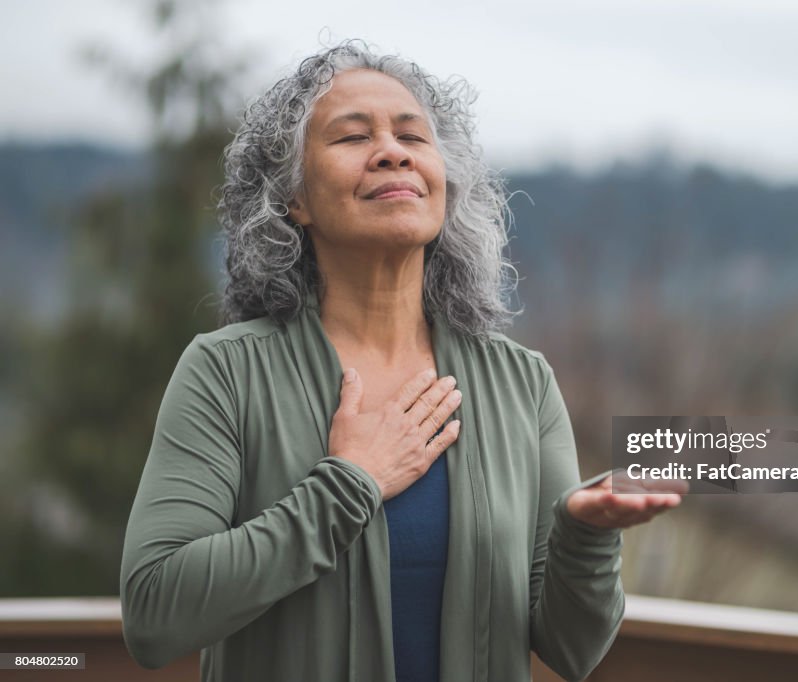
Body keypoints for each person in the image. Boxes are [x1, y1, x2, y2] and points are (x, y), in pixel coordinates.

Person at [119, 39, 684, 682]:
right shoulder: (227, 373)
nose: (393, 150)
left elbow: (572, 649)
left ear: (442, 184)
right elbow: (153, 614)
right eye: (352, 137)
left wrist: (586, 536)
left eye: (413, 136)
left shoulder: (522, 385)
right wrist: (348, 484)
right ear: (294, 198)